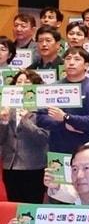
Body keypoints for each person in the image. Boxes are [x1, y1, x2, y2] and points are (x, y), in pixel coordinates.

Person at [0, 69, 49, 202]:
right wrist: (3, 122)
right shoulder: (6, 108)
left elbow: (44, 139)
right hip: (10, 166)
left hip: (33, 167)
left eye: (27, 82)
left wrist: (25, 121)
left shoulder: (43, 109)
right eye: (19, 82)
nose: (21, 85)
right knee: (14, 206)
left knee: (32, 205)